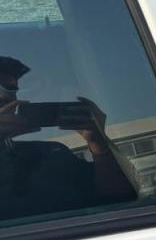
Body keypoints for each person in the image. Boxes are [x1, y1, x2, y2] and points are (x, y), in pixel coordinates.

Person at [0, 56, 137, 223]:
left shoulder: (52, 154)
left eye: (11, 90)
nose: (4, 95)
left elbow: (121, 201)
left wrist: (99, 144)